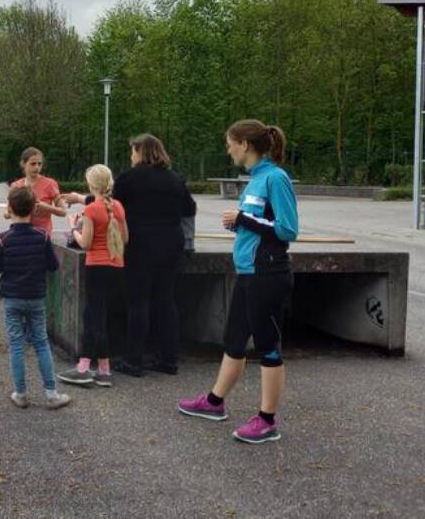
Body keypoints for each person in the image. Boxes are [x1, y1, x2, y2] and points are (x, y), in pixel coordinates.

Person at [178, 120, 297, 444]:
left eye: (230, 143)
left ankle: (267, 420)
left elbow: (288, 230)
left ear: (245, 144)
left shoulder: (275, 178)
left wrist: (243, 219)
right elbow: (262, 224)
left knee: (268, 347)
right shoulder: (255, 180)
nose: (227, 149)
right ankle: (215, 403)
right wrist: (242, 226)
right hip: (249, 273)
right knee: (233, 341)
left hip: (267, 274)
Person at [110, 133, 197, 376]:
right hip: (171, 244)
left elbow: (113, 208)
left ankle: (133, 360)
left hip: (140, 245)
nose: (131, 156)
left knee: (138, 302)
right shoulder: (175, 179)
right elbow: (189, 210)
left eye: (132, 151)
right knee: (166, 301)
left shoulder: (129, 178)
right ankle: (169, 360)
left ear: (140, 151)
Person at [0, 186, 72, 410]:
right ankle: (51, 393)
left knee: (16, 344)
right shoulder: (42, 236)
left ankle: (21, 393)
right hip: (36, 296)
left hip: (12, 297)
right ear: (35, 209)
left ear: (9, 208)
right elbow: (53, 266)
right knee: (41, 342)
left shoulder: (3, 239)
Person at [57, 165, 127, 388]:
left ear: (91, 185)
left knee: (93, 317)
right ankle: (104, 369)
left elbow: (85, 243)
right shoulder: (118, 206)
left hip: (97, 266)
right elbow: (124, 239)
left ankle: (84, 368)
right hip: (116, 265)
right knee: (100, 316)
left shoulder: (91, 210)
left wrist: (72, 227)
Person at [9, 147, 67, 237]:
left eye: (39, 164)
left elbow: (63, 212)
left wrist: (46, 207)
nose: (37, 167)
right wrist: (20, 211)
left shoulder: (50, 184)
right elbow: (6, 213)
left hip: (42, 236)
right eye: (33, 164)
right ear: (23, 164)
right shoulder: (15, 186)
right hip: (20, 235)